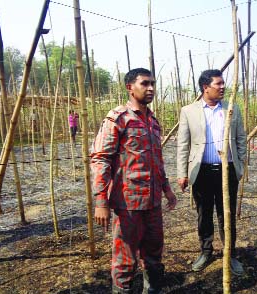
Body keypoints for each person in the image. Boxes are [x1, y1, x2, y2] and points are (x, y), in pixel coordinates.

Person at [91, 68, 177, 294]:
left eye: (153, 84)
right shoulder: (118, 118)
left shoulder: (153, 122)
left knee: (154, 254)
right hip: (128, 203)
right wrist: (101, 201)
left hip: (153, 202)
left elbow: (156, 160)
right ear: (130, 88)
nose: (150, 89)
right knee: (125, 259)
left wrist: (167, 189)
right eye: (145, 83)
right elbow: (101, 159)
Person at [176, 69, 247, 275]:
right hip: (202, 172)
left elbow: (241, 139)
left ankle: (230, 254)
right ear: (205, 87)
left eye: (223, 83)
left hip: (227, 170)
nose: (223, 87)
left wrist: (239, 165)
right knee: (204, 214)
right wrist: (182, 173)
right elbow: (183, 145)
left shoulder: (232, 109)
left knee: (228, 215)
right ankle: (206, 252)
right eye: (218, 84)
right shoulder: (189, 111)